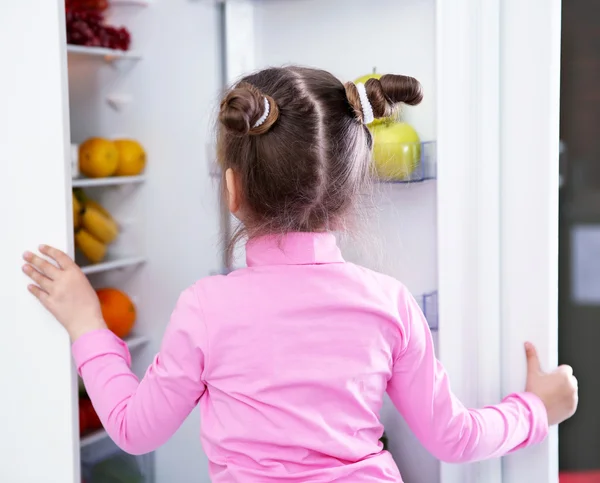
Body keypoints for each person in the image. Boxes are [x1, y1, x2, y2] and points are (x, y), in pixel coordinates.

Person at [22, 66, 578, 482]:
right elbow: (453, 438)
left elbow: (132, 427)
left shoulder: (206, 308)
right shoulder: (389, 302)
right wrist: (535, 409)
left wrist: (87, 322)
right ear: (352, 188)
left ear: (232, 190)